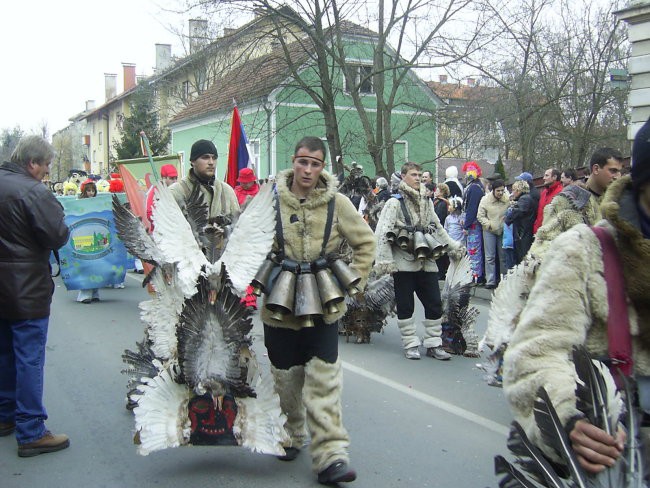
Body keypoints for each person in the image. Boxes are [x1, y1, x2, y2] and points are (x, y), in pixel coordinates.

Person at [502, 116, 650, 473]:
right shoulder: (582, 241)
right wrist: (568, 414)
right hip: (622, 447)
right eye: (610, 169)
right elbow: (537, 352)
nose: (614, 175)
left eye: (618, 169)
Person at [262, 136, 375, 484]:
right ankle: (291, 433)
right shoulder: (267, 201)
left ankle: (330, 455)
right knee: (285, 376)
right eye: (302, 161)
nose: (308, 169)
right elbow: (247, 241)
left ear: (322, 167)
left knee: (324, 377)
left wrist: (350, 282)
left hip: (324, 304)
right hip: (279, 305)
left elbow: (366, 243)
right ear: (293, 162)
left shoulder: (338, 203)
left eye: (315, 163)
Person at [0, 135, 71, 457]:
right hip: (25, 288)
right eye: (45, 167)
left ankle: (4, 416)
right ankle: (31, 431)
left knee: (4, 354)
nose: (46, 173)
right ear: (32, 163)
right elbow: (57, 235)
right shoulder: (32, 191)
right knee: (29, 357)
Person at [375, 162, 465, 361]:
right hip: (403, 262)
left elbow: (439, 228)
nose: (418, 178)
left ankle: (434, 344)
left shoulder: (427, 201)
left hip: (427, 261)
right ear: (404, 176)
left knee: (434, 303)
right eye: (413, 175)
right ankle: (410, 343)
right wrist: (384, 261)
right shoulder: (394, 202)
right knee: (406, 305)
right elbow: (382, 232)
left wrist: (453, 247)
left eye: (419, 175)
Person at [169, 139, 239, 220]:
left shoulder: (227, 191)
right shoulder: (176, 192)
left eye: (214, 158)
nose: (211, 162)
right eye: (205, 157)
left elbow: (238, 227)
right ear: (193, 161)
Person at [477, 179, 508, 289]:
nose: (500, 193)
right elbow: (480, 216)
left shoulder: (507, 199)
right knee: (490, 257)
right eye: (498, 190)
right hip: (489, 230)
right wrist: (488, 224)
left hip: (502, 230)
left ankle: (504, 279)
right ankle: (490, 280)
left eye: (502, 191)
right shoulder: (485, 200)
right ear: (493, 190)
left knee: (503, 256)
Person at [76, 180, 102, 303]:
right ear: (84, 191)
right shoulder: (78, 203)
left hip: (95, 235)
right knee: (85, 265)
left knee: (97, 264)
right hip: (83, 236)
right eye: (88, 190)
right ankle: (84, 293)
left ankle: (95, 291)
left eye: (93, 190)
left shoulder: (98, 203)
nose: (91, 193)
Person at [462, 161, 485, 283]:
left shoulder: (475, 188)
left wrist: (466, 224)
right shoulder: (474, 186)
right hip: (472, 223)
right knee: (472, 249)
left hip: (473, 224)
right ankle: (473, 273)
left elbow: (472, 207)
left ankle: (476, 275)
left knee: (474, 250)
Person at [503, 179, 535, 267]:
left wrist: (508, 218)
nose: (512, 192)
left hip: (523, 232)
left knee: (522, 257)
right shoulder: (526, 198)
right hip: (524, 231)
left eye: (513, 190)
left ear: (518, 190)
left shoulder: (524, 199)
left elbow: (519, 211)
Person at [145, 163, 178, 227]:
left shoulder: (176, 191)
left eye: (176, 178)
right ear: (164, 178)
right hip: (159, 232)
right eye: (172, 178)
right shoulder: (154, 192)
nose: (175, 181)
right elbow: (149, 214)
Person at [532, 167, 562, 233]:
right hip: (539, 232)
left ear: (554, 177)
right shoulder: (544, 192)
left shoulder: (561, 193)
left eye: (546, 175)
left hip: (551, 233)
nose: (544, 178)